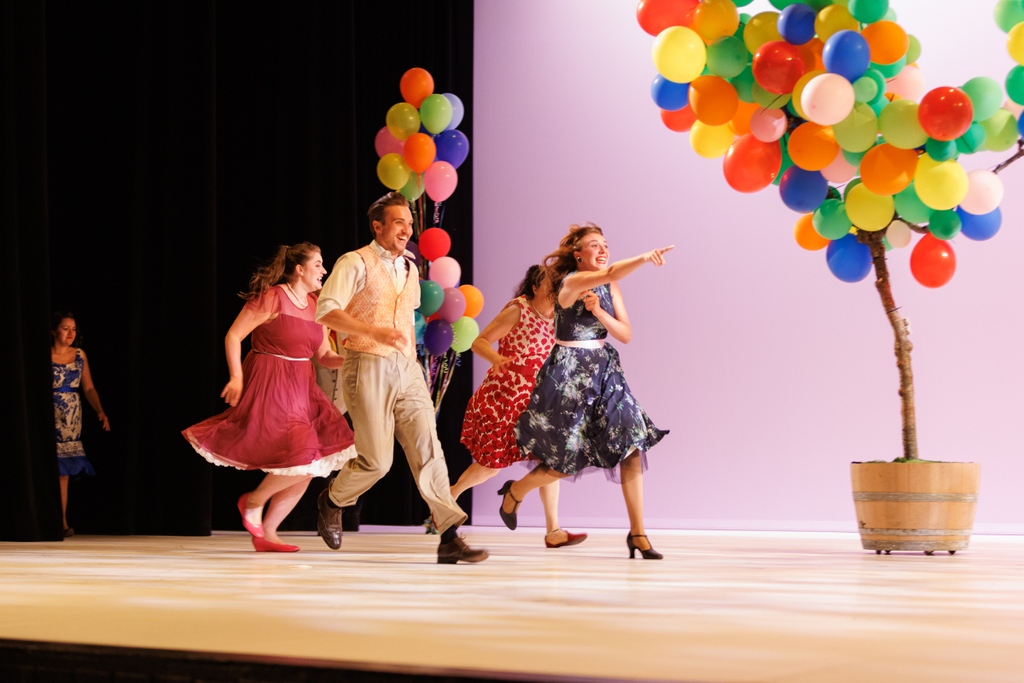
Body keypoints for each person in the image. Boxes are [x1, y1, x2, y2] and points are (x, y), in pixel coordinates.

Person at [314, 191, 487, 564]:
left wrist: (411, 360)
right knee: (377, 462)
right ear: (378, 226)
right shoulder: (354, 262)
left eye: (409, 224)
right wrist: (373, 332)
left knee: (429, 450)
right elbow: (326, 311)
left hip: (406, 368)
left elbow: (405, 320)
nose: (406, 230)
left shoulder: (409, 266)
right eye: (398, 223)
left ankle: (449, 536)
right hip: (366, 363)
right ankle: (332, 499)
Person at [500, 223, 673, 559]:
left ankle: (638, 534)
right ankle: (515, 492)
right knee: (567, 460)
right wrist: (644, 257)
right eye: (594, 245)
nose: (602, 249)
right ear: (578, 254)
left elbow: (625, 334)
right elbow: (609, 270)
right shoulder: (570, 282)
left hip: (605, 371)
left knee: (632, 444)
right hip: (569, 374)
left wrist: (598, 311)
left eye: (605, 244)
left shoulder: (611, 284)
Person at [182, 242, 356, 553]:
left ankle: (269, 532)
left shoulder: (318, 305)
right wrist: (236, 377)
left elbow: (325, 355)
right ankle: (253, 501)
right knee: (304, 456)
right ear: (299, 269)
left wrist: (354, 360)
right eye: (318, 265)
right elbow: (234, 335)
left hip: (303, 385)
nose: (324, 271)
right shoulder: (272, 297)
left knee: (312, 464)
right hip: (272, 379)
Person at [453, 264, 586, 549]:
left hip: (537, 400)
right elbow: (479, 342)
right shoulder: (519, 309)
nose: (556, 289)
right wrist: (497, 360)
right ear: (535, 287)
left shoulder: (559, 316)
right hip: (504, 397)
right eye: (551, 284)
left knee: (549, 462)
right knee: (490, 467)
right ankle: (448, 499)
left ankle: (554, 531)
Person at [51, 311, 110, 537]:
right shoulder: (44, 354)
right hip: (51, 412)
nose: (70, 333)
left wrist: (100, 411)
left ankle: (63, 521)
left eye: (73, 329)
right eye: (65, 328)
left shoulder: (79, 355)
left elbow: (88, 388)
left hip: (71, 416)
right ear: (54, 331)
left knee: (63, 472)